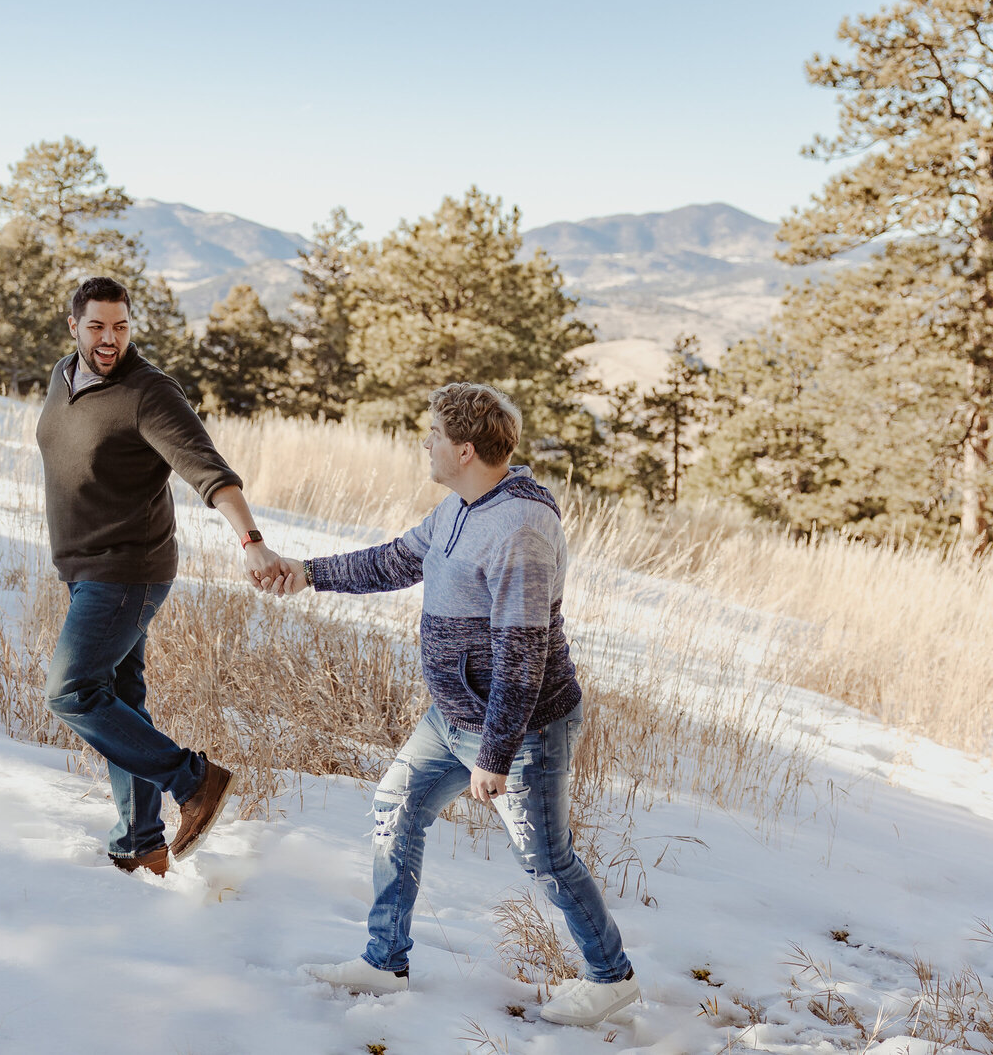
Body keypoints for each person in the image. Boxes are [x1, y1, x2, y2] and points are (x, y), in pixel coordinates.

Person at [269, 382, 639, 1027]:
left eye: (433, 437)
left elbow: (523, 656)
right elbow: (394, 562)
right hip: (450, 719)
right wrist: (308, 571)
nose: (425, 446)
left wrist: (495, 755)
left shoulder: (519, 526)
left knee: (547, 861)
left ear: (465, 449)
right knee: (396, 806)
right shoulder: (459, 507)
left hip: (522, 727)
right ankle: (385, 962)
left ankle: (611, 978)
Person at [36, 276, 284, 878]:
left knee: (70, 692)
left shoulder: (149, 393)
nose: (109, 339)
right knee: (121, 700)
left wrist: (250, 539)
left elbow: (209, 471)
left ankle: (194, 780)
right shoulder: (62, 377)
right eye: (96, 326)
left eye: (120, 327)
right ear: (74, 326)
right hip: (84, 567)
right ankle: (141, 843)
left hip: (127, 572)